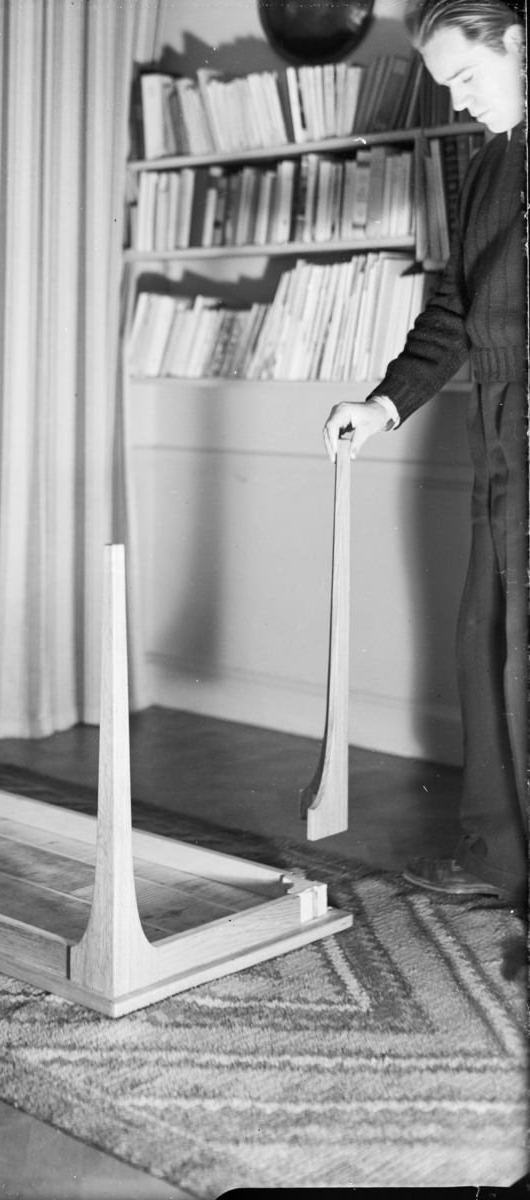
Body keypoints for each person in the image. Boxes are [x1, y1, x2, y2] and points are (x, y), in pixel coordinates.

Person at [323, 0, 528, 905]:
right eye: (446, 85)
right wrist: (383, 405)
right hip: (497, 413)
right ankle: (497, 856)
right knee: (486, 635)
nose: (459, 100)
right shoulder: (488, 164)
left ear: (520, 44)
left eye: (468, 77)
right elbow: (454, 307)